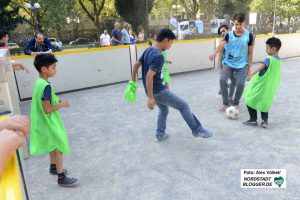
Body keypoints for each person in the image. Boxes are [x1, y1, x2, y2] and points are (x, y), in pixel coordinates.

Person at [131, 28, 213, 142]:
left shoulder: (148, 49)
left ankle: (160, 135)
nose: (171, 46)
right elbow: (149, 76)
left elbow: (136, 65)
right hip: (158, 92)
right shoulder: (159, 56)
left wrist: (133, 82)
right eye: (171, 42)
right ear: (165, 40)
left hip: (153, 90)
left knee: (164, 110)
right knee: (184, 106)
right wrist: (150, 97)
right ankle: (197, 130)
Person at [30, 54, 77, 186]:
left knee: (52, 144)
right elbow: (47, 109)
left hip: (41, 121)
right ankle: (61, 177)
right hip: (48, 121)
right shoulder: (46, 86)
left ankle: (53, 167)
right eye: (53, 67)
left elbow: (46, 100)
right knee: (59, 145)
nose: (55, 69)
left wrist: (57, 100)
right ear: (44, 69)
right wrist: (62, 104)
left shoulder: (39, 82)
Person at [209, 13, 254, 112]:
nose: (237, 27)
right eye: (235, 24)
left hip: (242, 64)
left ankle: (235, 103)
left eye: (239, 24)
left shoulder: (249, 36)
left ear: (244, 23)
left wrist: (249, 69)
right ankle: (225, 103)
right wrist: (214, 53)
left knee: (240, 84)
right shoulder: (229, 35)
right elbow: (221, 45)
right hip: (228, 63)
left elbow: (250, 53)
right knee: (222, 80)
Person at [242, 37, 282, 128]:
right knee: (264, 102)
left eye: (267, 48)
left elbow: (260, 68)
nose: (266, 50)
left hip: (261, 85)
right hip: (269, 87)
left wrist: (251, 74)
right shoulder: (279, 60)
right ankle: (264, 121)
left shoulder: (268, 59)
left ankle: (253, 120)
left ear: (274, 49)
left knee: (249, 100)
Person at [217, 25, 235, 101]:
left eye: (223, 31)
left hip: (236, 64)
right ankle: (229, 97)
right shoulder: (222, 42)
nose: (222, 33)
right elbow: (220, 55)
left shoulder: (236, 39)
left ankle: (224, 88)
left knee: (234, 81)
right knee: (233, 80)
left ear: (228, 30)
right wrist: (220, 67)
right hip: (227, 64)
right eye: (221, 32)